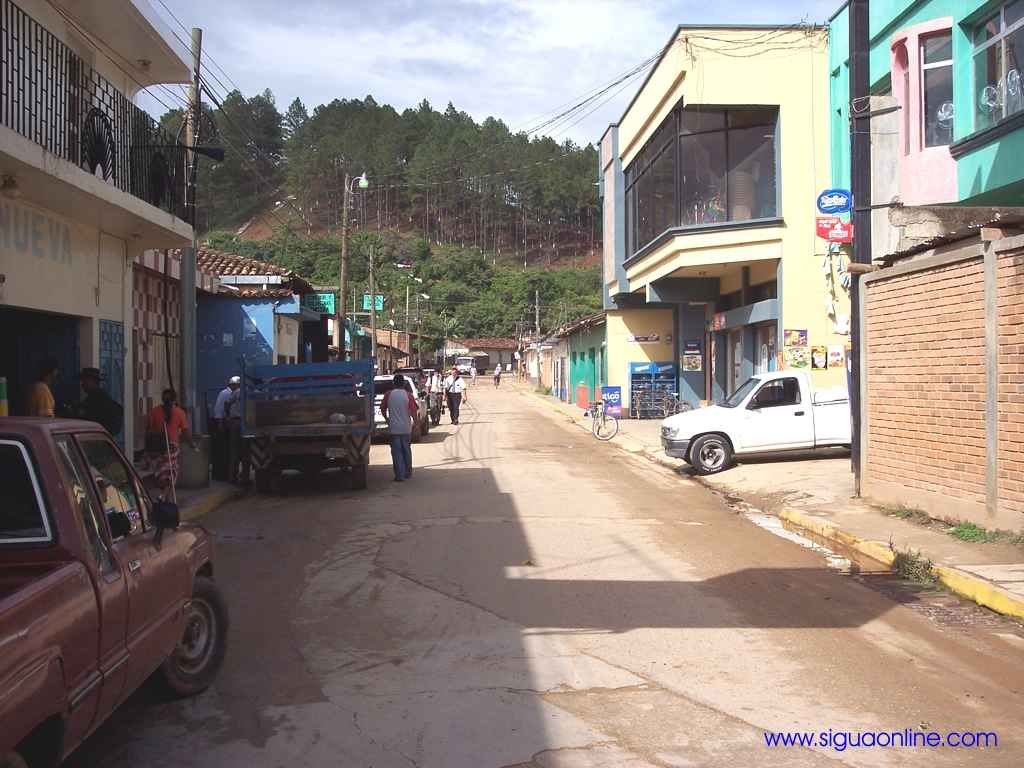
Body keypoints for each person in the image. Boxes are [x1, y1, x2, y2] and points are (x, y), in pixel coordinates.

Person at [146, 388, 196, 500]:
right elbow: (185, 431)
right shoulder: (179, 412)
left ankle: (164, 496)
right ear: (174, 399)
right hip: (172, 446)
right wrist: (192, 444)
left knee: (162, 473)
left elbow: (149, 429)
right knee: (172, 473)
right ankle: (163, 495)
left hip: (158, 446)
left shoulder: (155, 411)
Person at [380, 374, 418, 482]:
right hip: (406, 428)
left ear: (393, 383)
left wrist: (387, 419)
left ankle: (399, 475)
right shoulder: (408, 395)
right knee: (406, 450)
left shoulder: (388, 394)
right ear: (403, 384)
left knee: (396, 452)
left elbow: (382, 408)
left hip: (394, 429)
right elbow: (414, 411)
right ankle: (408, 472)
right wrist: (416, 425)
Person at [75, 368, 123, 436]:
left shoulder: (98, 398)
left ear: (92, 380)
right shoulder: (93, 397)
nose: (82, 384)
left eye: (84, 380)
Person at [211, 376, 240, 481]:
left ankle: (232, 474)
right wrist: (221, 422)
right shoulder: (225, 393)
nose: (238, 387)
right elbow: (219, 409)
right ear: (232, 385)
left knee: (231, 449)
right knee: (228, 450)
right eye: (237, 385)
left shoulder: (234, 393)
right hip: (224, 423)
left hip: (228, 422)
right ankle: (228, 475)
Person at [225, 385, 251, 485]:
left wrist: (227, 416)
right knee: (246, 452)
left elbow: (227, 403)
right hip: (247, 424)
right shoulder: (254, 392)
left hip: (235, 422)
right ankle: (245, 478)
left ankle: (233, 477)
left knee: (234, 450)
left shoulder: (237, 391)